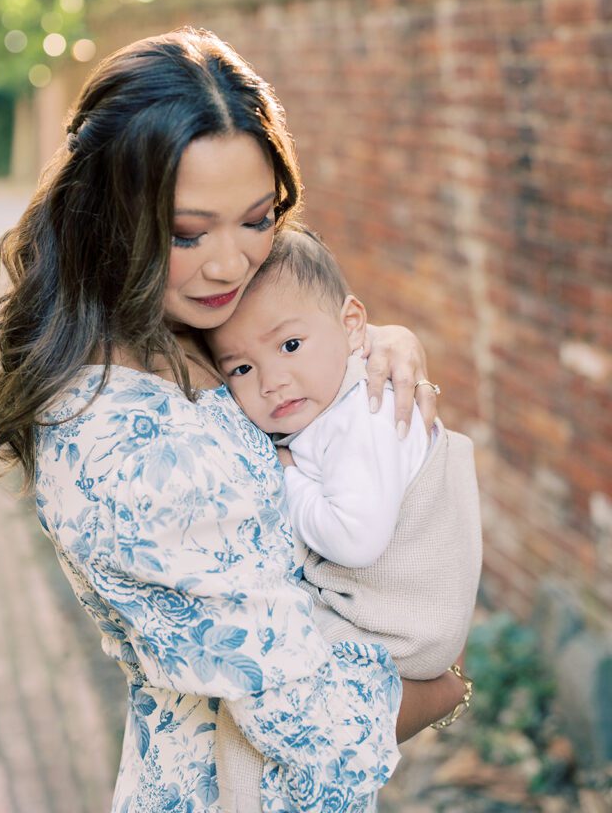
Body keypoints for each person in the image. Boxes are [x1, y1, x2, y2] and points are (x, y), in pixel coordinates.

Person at [0, 27, 470, 813]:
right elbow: (314, 722)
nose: (231, 264)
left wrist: (377, 342)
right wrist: (446, 682)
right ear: (107, 213)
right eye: (186, 232)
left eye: (258, 217)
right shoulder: (122, 443)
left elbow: (303, 337)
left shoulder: (176, 317)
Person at [206, 227, 481, 811]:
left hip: (397, 625)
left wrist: (288, 481)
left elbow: (355, 538)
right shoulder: (333, 400)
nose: (272, 380)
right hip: (380, 618)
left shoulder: (367, 414)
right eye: (240, 370)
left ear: (354, 326)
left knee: (253, 705)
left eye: (288, 347)